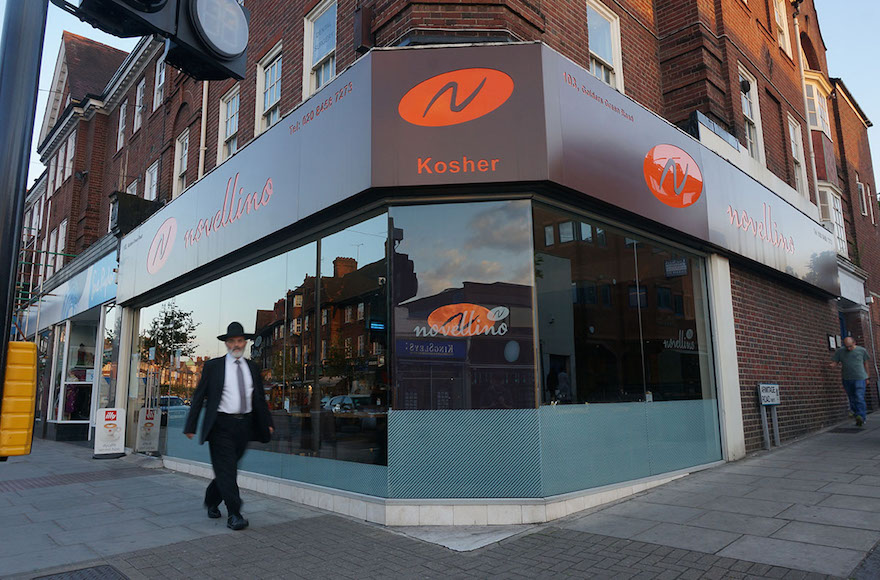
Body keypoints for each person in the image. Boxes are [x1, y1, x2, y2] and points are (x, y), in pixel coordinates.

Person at [184, 322, 274, 530]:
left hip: (244, 426)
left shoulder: (252, 367)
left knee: (227, 470)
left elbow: (259, 399)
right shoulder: (213, 367)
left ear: (245, 343)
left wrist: (267, 423)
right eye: (232, 341)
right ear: (226, 343)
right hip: (220, 426)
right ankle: (235, 514)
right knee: (227, 470)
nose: (236, 344)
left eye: (240, 341)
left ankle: (212, 499)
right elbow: (199, 396)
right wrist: (191, 424)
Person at [830, 336, 870, 427]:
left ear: (854, 343)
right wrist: (832, 365)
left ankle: (861, 416)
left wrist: (867, 377)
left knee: (859, 396)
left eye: (850, 346)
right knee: (851, 397)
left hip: (860, 377)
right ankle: (857, 415)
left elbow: (866, 364)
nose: (848, 348)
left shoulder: (862, 351)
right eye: (846, 346)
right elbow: (835, 361)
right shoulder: (840, 351)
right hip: (847, 378)